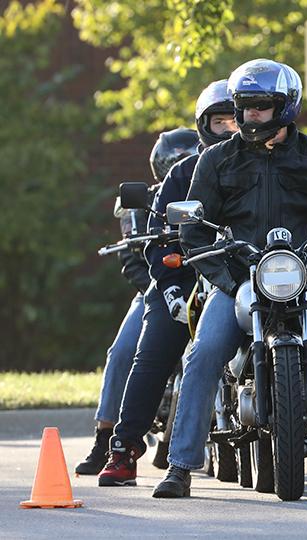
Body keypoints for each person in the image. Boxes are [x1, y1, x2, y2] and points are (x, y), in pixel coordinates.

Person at [155, 59, 307, 498]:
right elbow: (193, 230)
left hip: (304, 278)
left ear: (286, 107)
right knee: (204, 352)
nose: (249, 117)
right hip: (239, 281)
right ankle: (180, 467)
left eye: (260, 107)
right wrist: (227, 280)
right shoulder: (215, 161)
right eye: (243, 108)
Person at [98, 81, 236, 487]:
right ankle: (123, 449)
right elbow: (157, 241)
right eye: (221, 120)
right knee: (152, 351)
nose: (231, 128)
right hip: (186, 276)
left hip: (239, 276)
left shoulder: (263, 166)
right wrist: (172, 287)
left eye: (237, 118)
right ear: (204, 125)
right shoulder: (182, 173)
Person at [74, 128, 199, 476]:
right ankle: (106, 438)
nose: (186, 165)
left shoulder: (217, 191)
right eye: (178, 160)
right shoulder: (146, 201)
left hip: (207, 282)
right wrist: (159, 287)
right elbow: (132, 260)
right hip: (155, 288)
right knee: (123, 350)